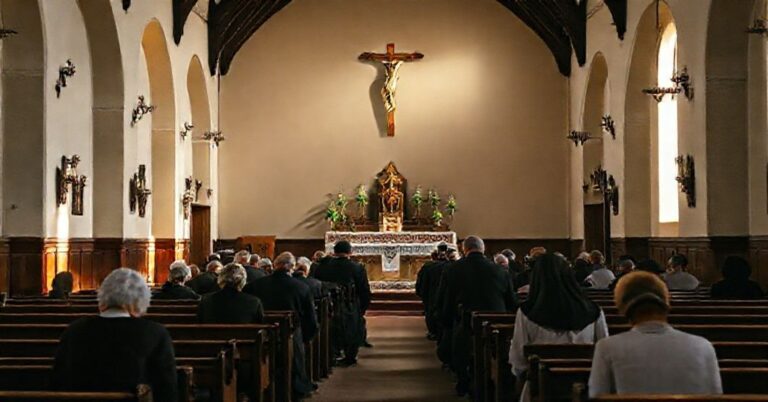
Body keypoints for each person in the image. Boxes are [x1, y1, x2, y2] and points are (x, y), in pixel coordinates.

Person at [588, 271, 721, 396]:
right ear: (665, 302)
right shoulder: (703, 346)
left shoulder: (607, 347)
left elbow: (597, 396)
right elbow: (715, 395)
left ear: (623, 307)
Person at [52, 268, 177, 401]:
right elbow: (167, 391)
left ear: (102, 298)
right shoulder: (156, 334)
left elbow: (57, 383)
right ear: (139, 303)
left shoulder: (74, 331)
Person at [509, 253, 608, 401]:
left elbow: (518, 361)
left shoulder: (527, 312)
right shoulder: (593, 311)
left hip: (543, 388)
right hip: (586, 388)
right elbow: (604, 351)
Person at [440, 236, 516, 397]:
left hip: (466, 322)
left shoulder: (453, 269)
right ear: (483, 249)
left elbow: (447, 299)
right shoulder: (499, 270)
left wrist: (446, 322)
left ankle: (465, 383)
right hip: (497, 323)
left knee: (462, 351)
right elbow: (511, 302)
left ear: (463, 249)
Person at [246, 252, 318, 400]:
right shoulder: (301, 287)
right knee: (295, 358)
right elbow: (310, 317)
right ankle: (296, 386)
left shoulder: (256, 285)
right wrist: (307, 336)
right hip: (291, 334)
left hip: (261, 333)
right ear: (292, 268)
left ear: (275, 265)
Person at [312, 240, 370, 366]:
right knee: (351, 329)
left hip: (326, 303)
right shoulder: (357, 267)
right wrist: (363, 307)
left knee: (330, 329)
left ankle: (332, 354)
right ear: (350, 252)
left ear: (334, 252)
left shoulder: (323, 266)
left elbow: (316, 283)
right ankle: (350, 356)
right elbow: (364, 289)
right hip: (349, 303)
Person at [198, 263, 265, 324]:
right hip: (243, 337)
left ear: (221, 279)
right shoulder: (254, 302)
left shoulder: (206, 300)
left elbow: (199, 323)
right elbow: (260, 326)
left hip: (211, 337)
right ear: (243, 281)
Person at [416, 245, 448, 340]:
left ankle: (433, 332)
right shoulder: (451, 266)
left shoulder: (428, 267)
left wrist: (421, 293)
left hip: (431, 294)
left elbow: (422, 282)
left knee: (431, 311)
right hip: (441, 294)